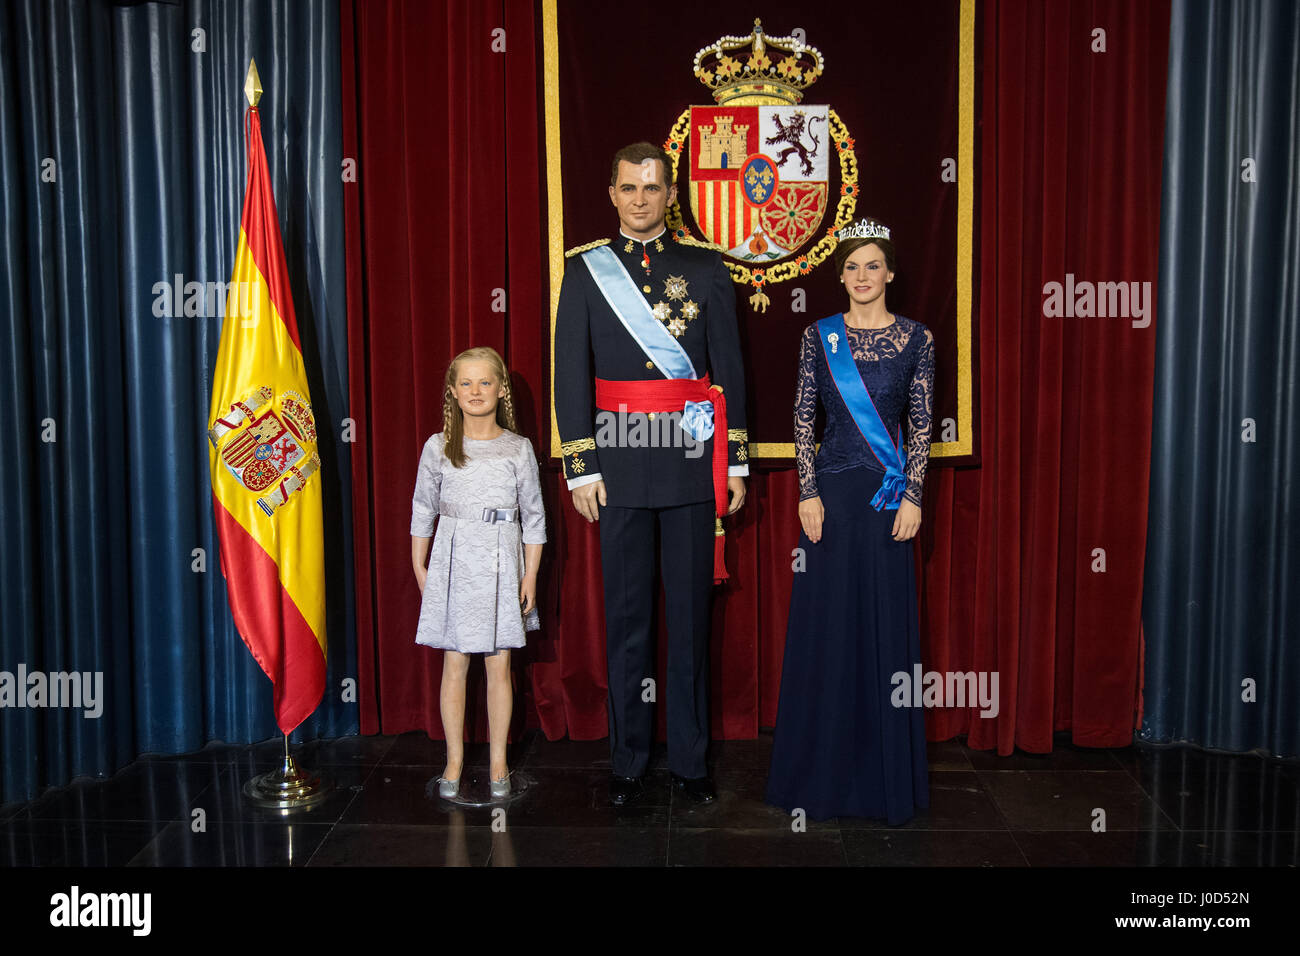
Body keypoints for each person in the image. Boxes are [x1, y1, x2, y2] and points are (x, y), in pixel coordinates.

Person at [554, 142, 749, 806]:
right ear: (612, 193)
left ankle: (692, 764)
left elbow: (728, 367)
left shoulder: (705, 268)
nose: (641, 199)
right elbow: (569, 374)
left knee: (691, 623)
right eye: (630, 188)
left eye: (653, 188)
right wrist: (581, 467)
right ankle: (630, 763)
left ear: (671, 195)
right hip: (619, 462)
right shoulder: (583, 272)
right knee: (629, 622)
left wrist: (735, 462)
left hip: (693, 462)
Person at [765, 218, 935, 824]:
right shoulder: (821, 336)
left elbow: (920, 425)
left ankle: (881, 775)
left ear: (889, 273)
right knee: (830, 628)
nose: (862, 277)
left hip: (888, 501)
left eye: (873, 266)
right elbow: (803, 418)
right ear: (840, 277)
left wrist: (914, 495)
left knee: (883, 628)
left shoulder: (918, 339)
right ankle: (821, 771)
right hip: (832, 503)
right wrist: (806, 493)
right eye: (852, 267)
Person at [410, 346, 545, 800]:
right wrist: (418, 563)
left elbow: (535, 518)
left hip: (502, 561)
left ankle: (499, 763)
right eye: (465, 383)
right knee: (454, 664)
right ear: (452, 392)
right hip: (453, 562)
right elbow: (423, 508)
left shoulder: (518, 448)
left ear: (501, 390)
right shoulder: (437, 447)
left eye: (485, 382)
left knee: (499, 665)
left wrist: (529, 577)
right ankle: (453, 760)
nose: (475, 390)